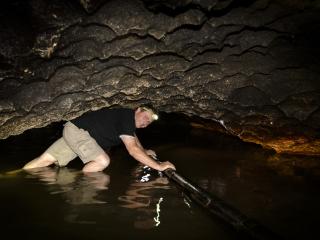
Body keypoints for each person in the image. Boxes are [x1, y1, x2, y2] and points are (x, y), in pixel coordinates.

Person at [23, 105, 176, 173]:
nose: (145, 123)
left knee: (45, 160)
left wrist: (145, 151)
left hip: (74, 130)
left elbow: (134, 139)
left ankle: (19, 175)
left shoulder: (126, 122)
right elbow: (132, 150)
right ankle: (81, 184)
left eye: (149, 122)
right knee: (103, 161)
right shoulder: (126, 116)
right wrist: (158, 166)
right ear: (137, 110)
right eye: (145, 117)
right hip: (80, 133)